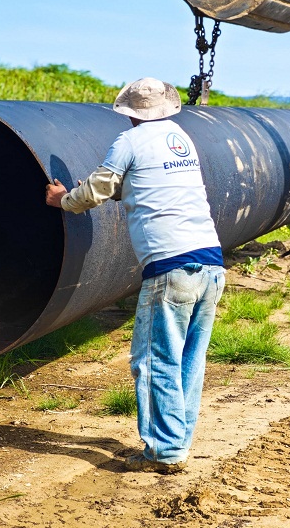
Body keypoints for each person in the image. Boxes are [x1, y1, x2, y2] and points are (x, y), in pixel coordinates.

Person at [45, 77, 226, 474]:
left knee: (154, 360)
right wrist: (109, 190)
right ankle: (177, 442)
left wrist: (65, 200)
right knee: (188, 360)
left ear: (129, 114)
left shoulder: (129, 141)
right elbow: (150, 187)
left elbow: (98, 189)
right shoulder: (180, 137)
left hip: (171, 267)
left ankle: (163, 451)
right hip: (211, 264)